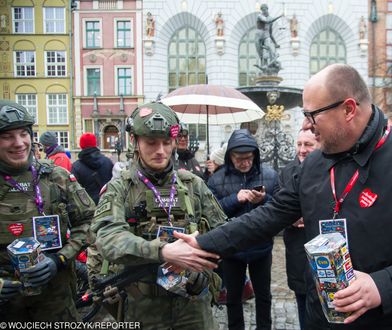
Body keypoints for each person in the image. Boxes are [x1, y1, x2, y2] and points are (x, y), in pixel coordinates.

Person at [173, 64, 392, 329]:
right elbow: (267, 217)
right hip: (318, 318)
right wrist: (204, 242)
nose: (306, 125)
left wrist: (382, 285)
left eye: (312, 115)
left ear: (348, 109)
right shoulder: (313, 165)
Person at [89, 102, 227, 328]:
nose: (160, 150)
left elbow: (223, 232)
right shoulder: (120, 188)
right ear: (135, 142)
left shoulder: (193, 184)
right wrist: (163, 251)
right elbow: (108, 239)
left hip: (192, 304)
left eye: (166, 142)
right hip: (142, 307)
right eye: (151, 143)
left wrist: (199, 253)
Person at [0, 100, 95, 321]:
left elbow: (91, 221)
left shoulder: (56, 177)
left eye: (24, 134)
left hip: (57, 305)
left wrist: (60, 259)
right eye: (7, 136)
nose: (19, 143)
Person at [207, 128, 279, 329]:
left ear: (255, 156)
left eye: (249, 158)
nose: (245, 162)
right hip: (232, 249)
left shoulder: (271, 176)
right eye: (239, 159)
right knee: (233, 297)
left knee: (263, 296)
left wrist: (264, 199)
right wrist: (235, 199)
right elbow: (211, 214)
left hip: (261, 248)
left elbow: (281, 209)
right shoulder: (216, 179)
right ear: (230, 156)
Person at [280, 128, 319, 330]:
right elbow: (278, 206)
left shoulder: (327, 168)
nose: (302, 150)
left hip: (319, 244)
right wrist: (290, 219)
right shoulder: (287, 171)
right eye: (299, 144)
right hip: (296, 246)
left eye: (308, 144)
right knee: (302, 298)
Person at [71, 132, 113, 205]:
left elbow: (74, 192)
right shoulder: (108, 162)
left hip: (88, 208)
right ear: (95, 144)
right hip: (107, 204)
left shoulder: (76, 167)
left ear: (81, 145)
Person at [255, 4, 283, 71]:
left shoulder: (270, 19)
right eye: (262, 10)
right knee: (261, 55)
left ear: (267, 9)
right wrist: (280, 16)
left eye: (265, 9)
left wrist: (275, 43)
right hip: (258, 38)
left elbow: (270, 34)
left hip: (266, 36)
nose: (264, 11)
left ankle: (273, 64)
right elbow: (267, 21)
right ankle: (264, 67)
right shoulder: (260, 16)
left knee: (270, 48)